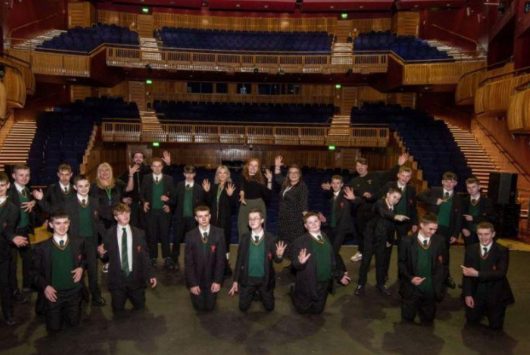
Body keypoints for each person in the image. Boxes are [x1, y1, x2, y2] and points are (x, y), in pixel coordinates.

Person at [98, 203, 157, 314]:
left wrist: (151, 275)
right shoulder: (109, 234)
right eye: (121, 213)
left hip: (136, 279)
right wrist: (101, 253)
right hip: (117, 280)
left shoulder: (139, 233)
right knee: (117, 311)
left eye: (127, 213)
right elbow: (105, 255)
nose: (125, 216)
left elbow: (145, 256)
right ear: (116, 217)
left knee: (141, 309)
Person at [31, 212, 85, 333]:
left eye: (65, 223)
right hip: (54, 295)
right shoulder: (41, 248)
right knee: (54, 329)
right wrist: (45, 286)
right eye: (58, 223)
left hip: (74, 292)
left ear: (69, 223)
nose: (62, 227)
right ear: (50, 225)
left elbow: (84, 259)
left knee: (74, 325)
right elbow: (33, 273)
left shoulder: (78, 242)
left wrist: (81, 267)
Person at [349, 154, 408, 263]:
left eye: (362, 165)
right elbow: (350, 196)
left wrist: (399, 165)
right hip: (360, 213)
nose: (360, 167)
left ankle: (376, 255)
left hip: (375, 212)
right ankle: (361, 252)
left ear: (367, 166)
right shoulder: (353, 181)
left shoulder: (375, 175)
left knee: (375, 235)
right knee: (361, 234)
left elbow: (389, 175)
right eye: (358, 166)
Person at [291, 212, 350, 314]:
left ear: (320, 222)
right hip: (308, 283)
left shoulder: (325, 236)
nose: (314, 224)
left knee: (318, 310)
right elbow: (295, 264)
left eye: (316, 221)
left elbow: (331, 260)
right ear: (305, 226)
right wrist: (300, 262)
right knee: (303, 309)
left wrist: (339, 275)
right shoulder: (300, 242)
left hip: (325, 282)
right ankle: (294, 293)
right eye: (310, 223)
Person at [228, 209, 286, 312]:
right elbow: (239, 261)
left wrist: (279, 255)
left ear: (262, 220)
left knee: (269, 308)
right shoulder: (244, 238)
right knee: (243, 307)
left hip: (264, 279)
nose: (252, 221)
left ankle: (260, 292)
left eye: (256, 218)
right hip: (248, 278)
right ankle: (254, 292)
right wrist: (235, 281)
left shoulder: (271, 239)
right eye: (250, 219)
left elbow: (277, 261)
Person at [355, 187, 409, 296]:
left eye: (398, 199)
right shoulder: (379, 203)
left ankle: (380, 284)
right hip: (370, 239)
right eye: (394, 197)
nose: (395, 200)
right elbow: (383, 213)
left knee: (381, 263)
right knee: (366, 262)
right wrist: (395, 216)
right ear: (388, 194)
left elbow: (391, 226)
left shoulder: (394, 208)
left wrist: (389, 240)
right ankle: (361, 285)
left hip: (382, 239)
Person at [461, 222, 514, 330]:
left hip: (496, 293)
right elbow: (466, 274)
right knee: (471, 322)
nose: (483, 237)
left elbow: (501, 273)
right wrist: (467, 294)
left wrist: (477, 274)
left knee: (496, 327)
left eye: (486, 234)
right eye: (480, 234)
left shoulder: (502, 250)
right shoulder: (471, 249)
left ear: (493, 234)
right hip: (477, 292)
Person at [63, 175, 106, 306]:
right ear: (75, 187)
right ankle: (81, 294)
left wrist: (105, 240)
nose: (83, 189)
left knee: (93, 269)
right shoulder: (68, 203)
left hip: (91, 241)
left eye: (86, 186)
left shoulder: (95, 202)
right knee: (77, 269)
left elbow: (98, 223)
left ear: (89, 186)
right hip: (75, 242)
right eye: (80, 186)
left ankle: (96, 295)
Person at [398, 213, 447, 324]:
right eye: (430, 229)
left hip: (430, 289)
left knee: (428, 320)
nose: (433, 232)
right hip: (411, 289)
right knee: (407, 320)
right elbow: (401, 264)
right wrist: (410, 278)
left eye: (435, 229)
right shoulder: (407, 241)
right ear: (421, 225)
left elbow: (443, 264)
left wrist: (439, 286)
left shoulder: (439, 241)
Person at [417, 171, 462, 289]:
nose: (449, 184)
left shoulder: (458, 198)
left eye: (452, 182)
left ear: (455, 183)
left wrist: (455, 234)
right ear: (442, 182)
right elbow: (419, 196)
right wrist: (433, 201)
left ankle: (446, 277)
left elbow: (458, 218)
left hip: (447, 231)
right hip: (431, 229)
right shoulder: (434, 190)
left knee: (444, 254)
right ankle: (424, 275)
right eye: (446, 181)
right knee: (426, 252)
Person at [184, 205, 226, 312]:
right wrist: (192, 284)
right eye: (200, 216)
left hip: (212, 280)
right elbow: (189, 263)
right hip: (197, 280)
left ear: (210, 216)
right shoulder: (190, 236)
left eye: (206, 216)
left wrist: (217, 281)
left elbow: (221, 261)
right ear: (196, 218)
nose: (203, 219)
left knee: (209, 307)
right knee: (200, 307)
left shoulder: (219, 233)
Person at [380, 166, 418, 280]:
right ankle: (384, 274)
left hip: (404, 223)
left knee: (403, 251)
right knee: (387, 249)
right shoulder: (389, 186)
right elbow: (381, 203)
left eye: (407, 176)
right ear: (398, 175)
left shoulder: (411, 189)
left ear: (410, 177)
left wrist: (415, 223)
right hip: (389, 222)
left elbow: (413, 208)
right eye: (403, 175)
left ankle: (402, 275)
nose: (405, 178)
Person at [0, 172, 29, 325]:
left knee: (4, 285)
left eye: (2, 186)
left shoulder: (12, 208)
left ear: (8, 186)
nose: (0, 189)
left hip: (3, 251)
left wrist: (11, 237)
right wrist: (11, 236)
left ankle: (8, 313)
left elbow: (7, 228)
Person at [141, 158, 177, 269]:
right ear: (151, 167)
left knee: (165, 235)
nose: (157, 168)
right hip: (150, 212)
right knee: (152, 235)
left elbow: (174, 198)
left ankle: (167, 258)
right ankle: (152, 258)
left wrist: (168, 202)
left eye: (159, 166)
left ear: (162, 167)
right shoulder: (146, 178)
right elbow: (141, 194)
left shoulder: (169, 179)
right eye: (154, 166)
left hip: (164, 212)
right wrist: (144, 202)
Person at [8, 163, 36, 300]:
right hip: (12, 232)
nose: (24, 178)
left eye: (27, 175)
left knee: (28, 260)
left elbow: (29, 205)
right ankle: (14, 291)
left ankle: (27, 285)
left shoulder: (26, 190)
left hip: (24, 230)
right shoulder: (8, 191)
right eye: (21, 175)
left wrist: (33, 203)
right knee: (12, 264)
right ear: (13, 176)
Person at [204, 165, 237, 276]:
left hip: (225, 222)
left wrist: (230, 196)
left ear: (228, 175)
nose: (222, 175)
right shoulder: (214, 187)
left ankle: (226, 266)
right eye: (220, 173)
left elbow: (234, 207)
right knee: (213, 244)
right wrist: (207, 192)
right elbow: (208, 204)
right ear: (217, 175)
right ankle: (213, 266)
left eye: (224, 173)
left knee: (225, 244)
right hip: (213, 222)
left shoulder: (231, 186)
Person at [274, 156, 308, 257]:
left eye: (296, 172)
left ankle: (296, 263)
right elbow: (278, 177)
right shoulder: (286, 184)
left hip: (295, 221)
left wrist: (307, 221)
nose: (293, 175)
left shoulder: (302, 187)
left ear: (299, 175)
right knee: (285, 241)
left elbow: (304, 204)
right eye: (291, 172)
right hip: (284, 218)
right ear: (288, 174)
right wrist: (277, 166)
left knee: (295, 244)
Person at [320, 175, 355, 275]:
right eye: (333, 183)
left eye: (338, 183)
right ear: (331, 184)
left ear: (342, 184)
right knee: (332, 251)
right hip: (331, 228)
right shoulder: (331, 197)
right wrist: (325, 219)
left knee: (333, 252)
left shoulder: (346, 195)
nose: (335, 185)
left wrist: (353, 199)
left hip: (342, 229)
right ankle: (343, 271)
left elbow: (357, 203)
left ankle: (338, 274)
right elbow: (333, 214)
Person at [237, 158, 272, 239]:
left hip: (259, 205)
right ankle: (244, 250)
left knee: (259, 230)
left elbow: (268, 195)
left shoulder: (262, 178)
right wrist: (242, 196)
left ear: (258, 168)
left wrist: (269, 180)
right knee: (242, 229)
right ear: (247, 166)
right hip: (245, 204)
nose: (253, 167)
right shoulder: (242, 176)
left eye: (256, 166)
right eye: (251, 165)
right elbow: (241, 188)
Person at [90, 162, 129, 230]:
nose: (104, 172)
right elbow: (91, 201)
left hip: (117, 215)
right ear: (99, 172)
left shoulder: (117, 182)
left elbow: (129, 189)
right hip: (101, 217)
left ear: (110, 171)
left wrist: (131, 175)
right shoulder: (93, 185)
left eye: (107, 170)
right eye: (102, 170)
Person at [120, 151, 151, 228]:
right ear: (133, 159)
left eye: (140, 157)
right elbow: (120, 187)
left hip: (146, 202)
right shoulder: (127, 172)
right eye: (136, 157)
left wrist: (167, 165)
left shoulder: (149, 171)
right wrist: (122, 198)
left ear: (143, 159)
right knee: (133, 225)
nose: (138, 159)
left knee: (146, 225)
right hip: (132, 203)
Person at [461, 177, 495, 247]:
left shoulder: (487, 201)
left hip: (483, 233)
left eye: (473, 187)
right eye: (468, 187)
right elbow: (460, 216)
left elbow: (490, 217)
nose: (471, 189)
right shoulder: (464, 201)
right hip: (468, 232)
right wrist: (463, 228)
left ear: (479, 187)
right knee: (469, 253)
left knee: (482, 253)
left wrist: (473, 218)